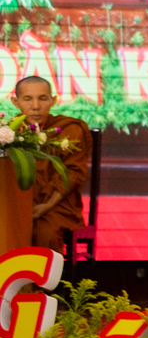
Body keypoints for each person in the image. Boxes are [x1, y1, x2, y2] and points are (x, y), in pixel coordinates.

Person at [11, 76, 91, 253]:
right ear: (16, 102)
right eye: (28, 99)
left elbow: (74, 173)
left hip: (57, 205)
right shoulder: (9, 132)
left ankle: (46, 273)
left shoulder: (69, 129)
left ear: (53, 101)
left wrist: (46, 206)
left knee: (44, 233)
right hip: (17, 204)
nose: (36, 106)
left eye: (42, 98)